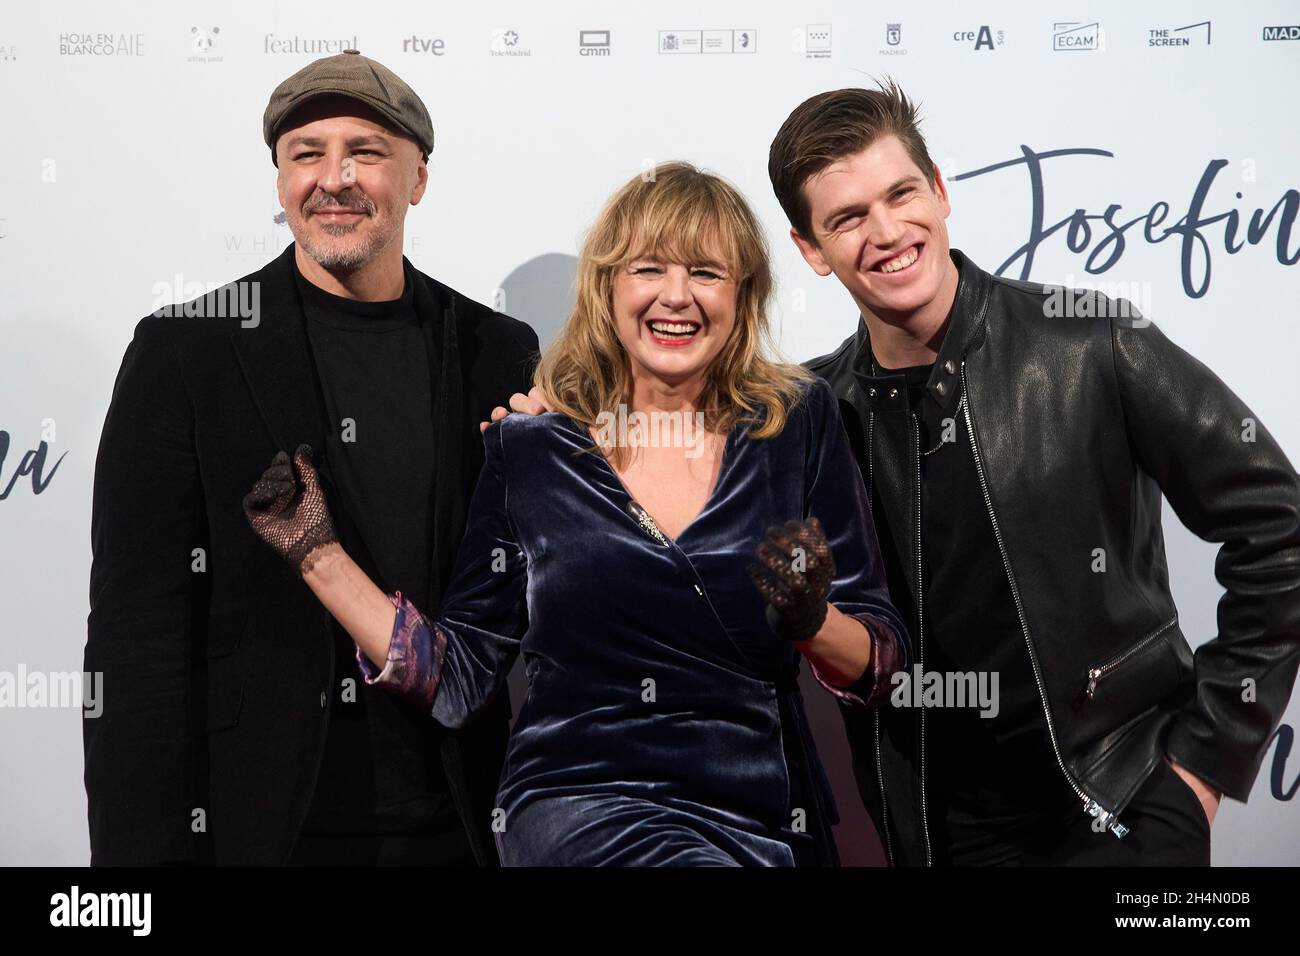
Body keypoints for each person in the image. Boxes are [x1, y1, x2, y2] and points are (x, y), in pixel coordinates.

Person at [242, 162, 908, 866]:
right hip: (581, 803)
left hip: (763, 816)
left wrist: (811, 622)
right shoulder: (531, 450)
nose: (676, 297)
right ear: (608, 287)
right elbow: (461, 675)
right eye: (648, 268)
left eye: (707, 272)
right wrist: (320, 557)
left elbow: (882, 666)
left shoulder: (798, 423)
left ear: (743, 294)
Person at [767, 80, 1300, 865]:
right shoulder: (812, 416)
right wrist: (550, 421)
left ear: (941, 192)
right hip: (938, 834)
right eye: (848, 218)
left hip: (1120, 802)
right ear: (811, 249)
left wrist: (1203, 764)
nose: (886, 231)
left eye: (901, 193)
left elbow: (1277, 526)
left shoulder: (1086, 342)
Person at [84, 50, 538, 865]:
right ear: (281, 180)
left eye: (365, 152)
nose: (335, 178)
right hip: (265, 830)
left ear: (418, 179)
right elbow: (136, 641)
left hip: (464, 825)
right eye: (306, 154)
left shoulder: (496, 350)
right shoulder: (186, 352)